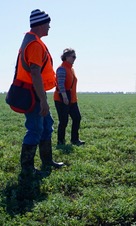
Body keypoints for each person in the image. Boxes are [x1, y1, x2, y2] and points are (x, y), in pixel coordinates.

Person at [16, 9, 64, 177]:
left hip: (35, 92)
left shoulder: (32, 40)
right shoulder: (35, 44)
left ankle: (47, 160)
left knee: (46, 126)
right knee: (35, 129)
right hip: (34, 93)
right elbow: (35, 72)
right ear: (41, 24)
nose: (49, 27)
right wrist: (43, 100)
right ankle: (27, 169)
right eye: (48, 23)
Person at [54, 48, 85, 146]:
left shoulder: (71, 68)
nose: (75, 58)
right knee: (63, 121)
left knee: (77, 118)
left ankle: (75, 139)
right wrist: (65, 97)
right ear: (66, 57)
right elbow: (60, 84)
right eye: (73, 56)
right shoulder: (62, 68)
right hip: (62, 98)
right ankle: (60, 141)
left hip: (72, 99)